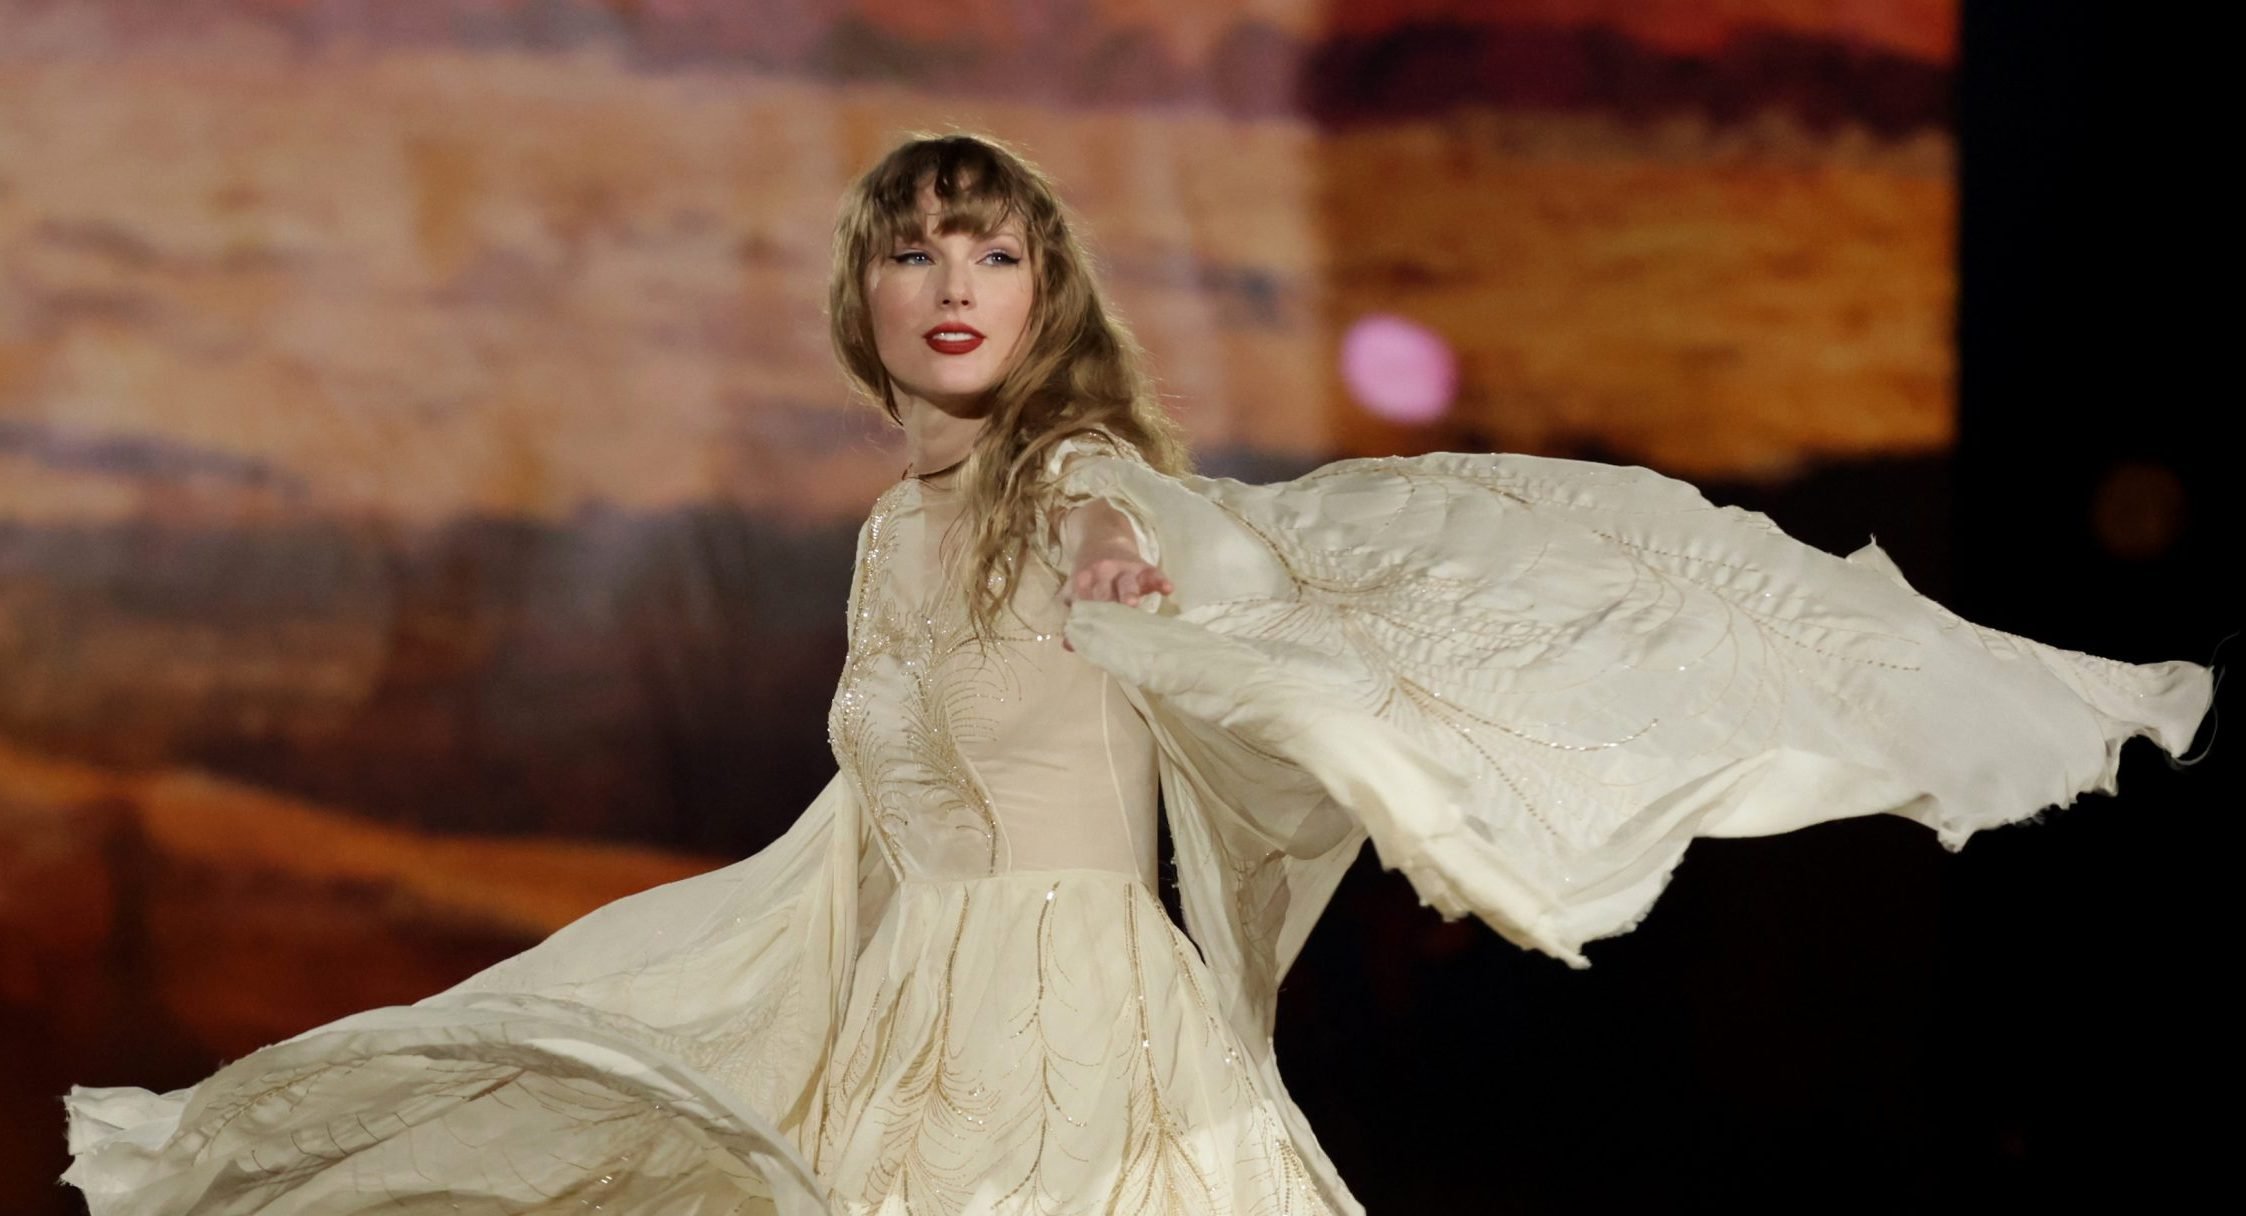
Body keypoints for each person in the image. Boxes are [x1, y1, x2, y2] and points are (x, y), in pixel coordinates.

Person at [61, 131, 2214, 1216]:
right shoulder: (888, 531)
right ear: (867, 296)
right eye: (916, 244)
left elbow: (1230, 622)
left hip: (1081, 1047)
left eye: (989, 244)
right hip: (900, 1021)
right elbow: (870, 826)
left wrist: (1426, 806)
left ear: (1042, 289)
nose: (951, 277)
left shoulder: (1078, 478)